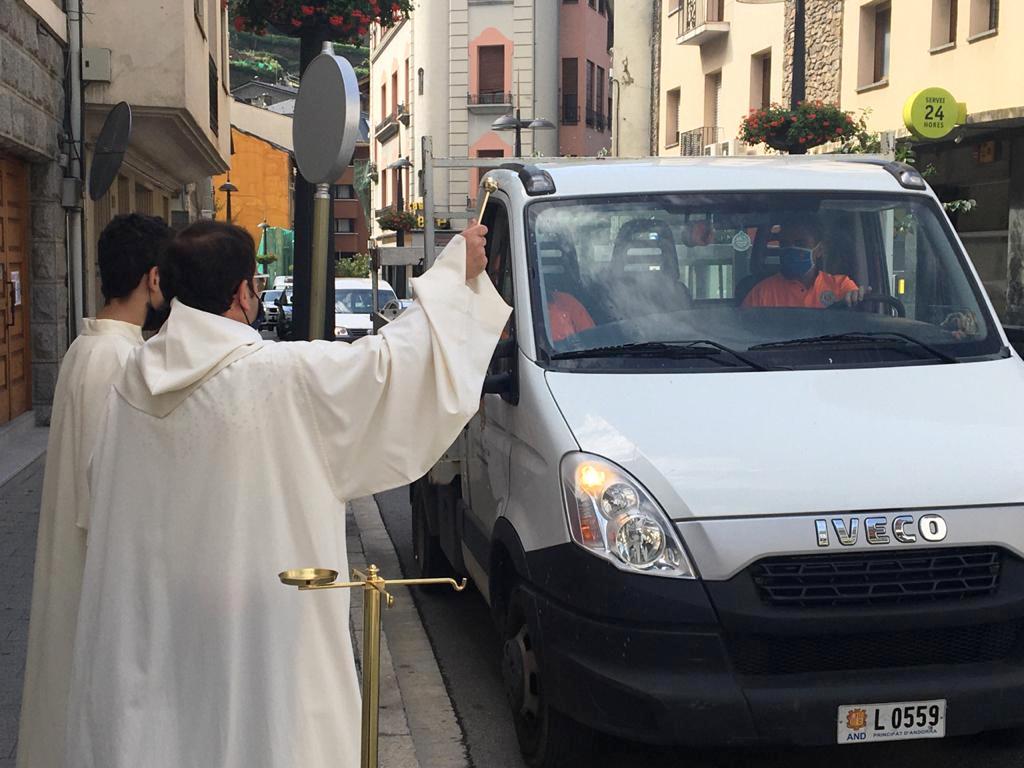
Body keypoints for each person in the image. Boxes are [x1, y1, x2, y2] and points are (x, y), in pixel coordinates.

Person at [64, 221, 510, 768]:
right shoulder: (283, 379)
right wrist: (452, 278)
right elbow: (393, 367)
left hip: (152, 643)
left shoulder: (127, 384)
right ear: (242, 294)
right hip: (259, 647)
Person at [17, 214, 172, 768]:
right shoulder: (122, 360)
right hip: (97, 573)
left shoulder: (86, 347)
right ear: (154, 279)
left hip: (72, 563)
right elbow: (110, 490)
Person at [742, 219, 867, 309]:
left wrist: (858, 298)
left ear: (819, 250)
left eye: (800, 244)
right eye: (785, 244)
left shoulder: (840, 286)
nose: (791, 249)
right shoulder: (761, 293)